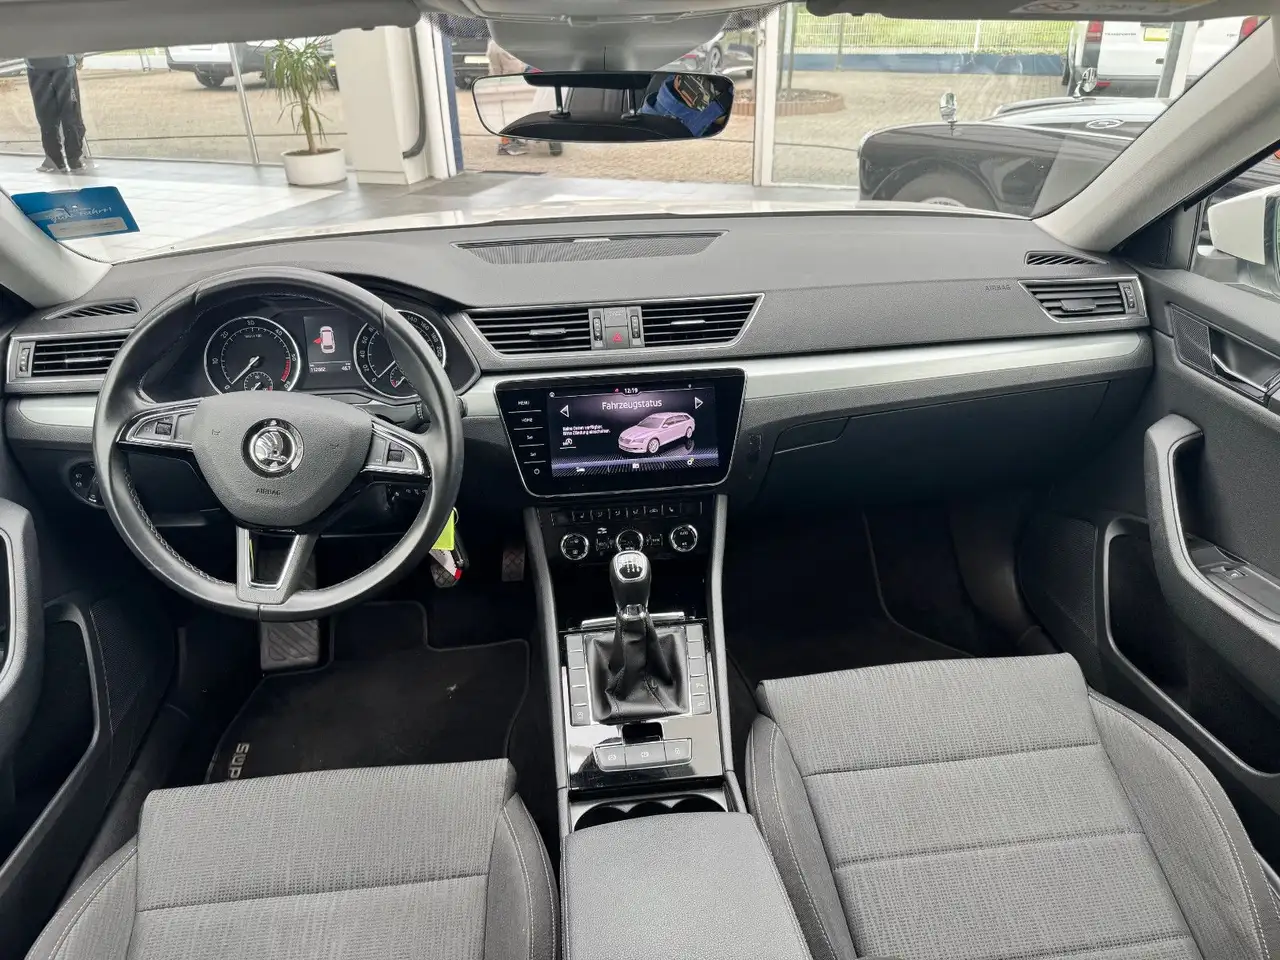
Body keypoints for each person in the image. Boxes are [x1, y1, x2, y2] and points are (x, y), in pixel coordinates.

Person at [26, 55, 87, 173]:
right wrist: (79, 57)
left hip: (36, 66)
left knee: (46, 116)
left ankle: (54, 160)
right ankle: (74, 160)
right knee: (70, 114)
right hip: (63, 65)